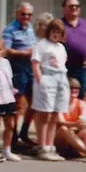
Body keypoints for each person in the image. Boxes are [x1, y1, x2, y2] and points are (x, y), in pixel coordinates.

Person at [31, 18, 70, 161]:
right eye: (53, 31)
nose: (55, 35)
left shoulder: (61, 47)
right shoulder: (41, 44)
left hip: (61, 78)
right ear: (49, 32)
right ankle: (43, 146)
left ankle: (50, 144)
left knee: (55, 114)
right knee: (45, 114)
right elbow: (35, 64)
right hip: (47, 77)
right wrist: (40, 81)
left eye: (58, 32)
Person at [2, 2, 37, 149]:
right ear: (17, 14)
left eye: (29, 15)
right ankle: (14, 136)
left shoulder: (30, 28)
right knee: (17, 104)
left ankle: (24, 132)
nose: (26, 17)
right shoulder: (10, 29)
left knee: (34, 102)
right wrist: (24, 53)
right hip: (17, 67)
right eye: (23, 14)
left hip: (30, 68)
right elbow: (6, 50)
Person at [54, 79, 86, 163]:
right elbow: (60, 122)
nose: (75, 90)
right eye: (71, 88)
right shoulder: (59, 103)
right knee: (64, 129)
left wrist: (75, 127)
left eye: (77, 88)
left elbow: (83, 121)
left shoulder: (82, 104)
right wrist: (74, 125)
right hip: (60, 139)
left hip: (74, 135)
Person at [0, 38, 22, 162]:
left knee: (10, 125)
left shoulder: (6, 62)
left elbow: (9, 77)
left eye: (0, 49)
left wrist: (12, 89)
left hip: (8, 96)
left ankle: (7, 149)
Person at [61, 0, 86, 99]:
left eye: (76, 6)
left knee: (80, 96)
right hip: (64, 68)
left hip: (81, 67)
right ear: (64, 9)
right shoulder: (59, 24)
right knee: (63, 97)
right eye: (70, 6)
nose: (74, 8)